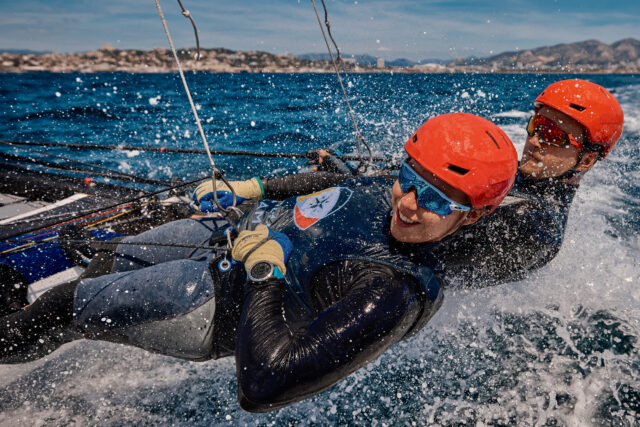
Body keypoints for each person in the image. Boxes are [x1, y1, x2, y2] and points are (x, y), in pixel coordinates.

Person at [0, 113, 518, 412]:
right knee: (111, 255)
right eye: (409, 178)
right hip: (230, 241)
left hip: (215, 303)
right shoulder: (393, 191)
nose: (408, 203)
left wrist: (264, 272)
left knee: (61, 305)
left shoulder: (393, 290)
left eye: (437, 201)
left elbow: (264, 385)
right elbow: (337, 187)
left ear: (472, 218)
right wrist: (253, 188)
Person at [433, 79, 624, 286]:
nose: (533, 140)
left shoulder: (534, 228)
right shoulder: (510, 176)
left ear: (586, 160)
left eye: (552, 134)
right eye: (536, 125)